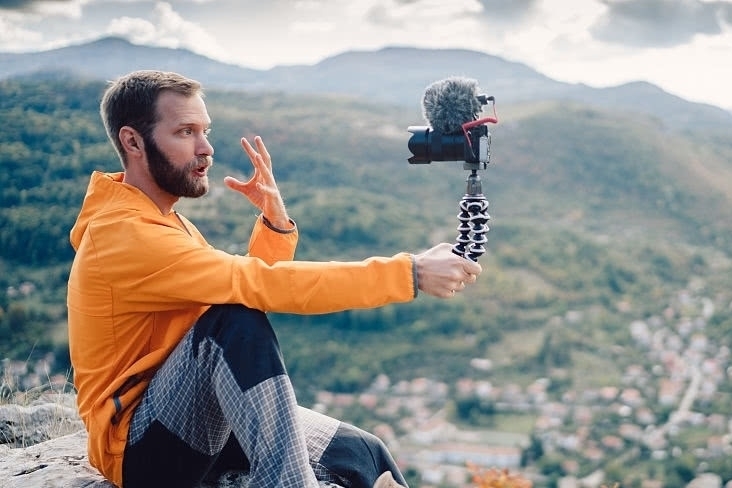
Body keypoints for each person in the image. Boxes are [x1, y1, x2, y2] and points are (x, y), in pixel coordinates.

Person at [66, 70, 482, 488]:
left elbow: (246, 291)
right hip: (137, 450)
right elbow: (256, 290)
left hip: (194, 417)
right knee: (231, 325)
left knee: (366, 455)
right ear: (133, 142)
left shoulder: (163, 222)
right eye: (185, 132)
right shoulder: (123, 235)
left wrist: (274, 222)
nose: (206, 148)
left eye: (205, 131)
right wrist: (410, 272)